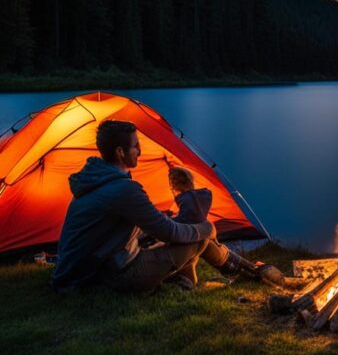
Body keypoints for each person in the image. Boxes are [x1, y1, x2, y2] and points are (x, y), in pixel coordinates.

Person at [51, 120, 281, 293]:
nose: (140, 151)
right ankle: (227, 273)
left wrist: (176, 225)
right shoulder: (121, 189)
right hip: (103, 276)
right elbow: (168, 232)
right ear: (121, 152)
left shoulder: (96, 179)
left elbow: (146, 227)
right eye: (135, 146)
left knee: (188, 231)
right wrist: (207, 227)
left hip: (90, 267)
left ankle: (241, 269)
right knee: (199, 235)